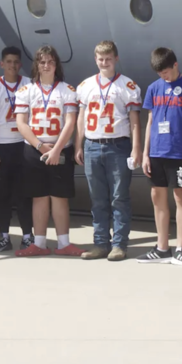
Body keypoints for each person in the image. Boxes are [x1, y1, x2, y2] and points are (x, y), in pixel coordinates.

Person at [75, 40, 143, 262]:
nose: (104, 62)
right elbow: (81, 117)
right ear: (95, 59)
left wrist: (136, 148)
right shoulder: (85, 85)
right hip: (92, 144)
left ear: (116, 59)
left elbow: (134, 120)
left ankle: (119, 244)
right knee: (98, 199)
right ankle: (100, 243)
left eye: (108, 58)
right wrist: (79, 143)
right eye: (100, 59)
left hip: (117, 145)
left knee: (119, 197)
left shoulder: (127, 86)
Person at [14, 45, 82, 257]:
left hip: (61, 149)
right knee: (39, 196)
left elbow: (70, 123)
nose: (46, 66)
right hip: (35, 150)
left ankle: (63, 243)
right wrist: (41, 147)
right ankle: (40, 243)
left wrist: (56, 150)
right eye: (42, 62)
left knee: (60, 197)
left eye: (50, 62)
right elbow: (21, 123)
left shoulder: (68, 90)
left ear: (56, 65)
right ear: (36, 65)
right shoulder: (26, 91)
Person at [138, 47, 182, 266]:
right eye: (159, 74)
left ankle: (181, 248)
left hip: (178, 153)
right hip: (156, 151)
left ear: (175, 65)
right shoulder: (153, 88)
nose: (163, 77)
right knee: (157, 197)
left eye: (166, 72)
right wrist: (145, 153)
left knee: (180, 196)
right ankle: (162, 247)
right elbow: (150, 121)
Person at [0, 47, 34, 252]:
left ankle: (28, 236)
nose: (12, 65)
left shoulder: (29, 84)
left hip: (24, 144)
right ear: (2, 64)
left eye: (16, 62)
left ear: (20, 64)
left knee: (24, 193)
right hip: (2, 146)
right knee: (2, 193)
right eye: (9, 61)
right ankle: (3, 235)